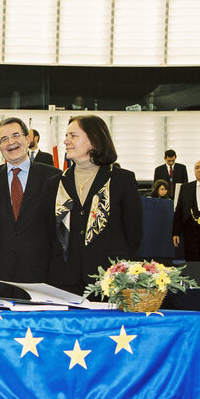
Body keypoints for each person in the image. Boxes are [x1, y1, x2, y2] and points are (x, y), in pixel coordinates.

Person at [47, 115, 143, 296]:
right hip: (63, 280)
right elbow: (48, 233)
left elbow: (134, 233)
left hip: (109, 280)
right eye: (66, 135)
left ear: (93, 140)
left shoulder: (121, 180)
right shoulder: (54, 184)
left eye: (73, 136)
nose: (65, 141)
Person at [0, 118, 60, 298]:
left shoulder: (53, 177)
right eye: (4, 139)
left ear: (28, 139)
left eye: (16, 135)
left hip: (40, 275)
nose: (10, 142)